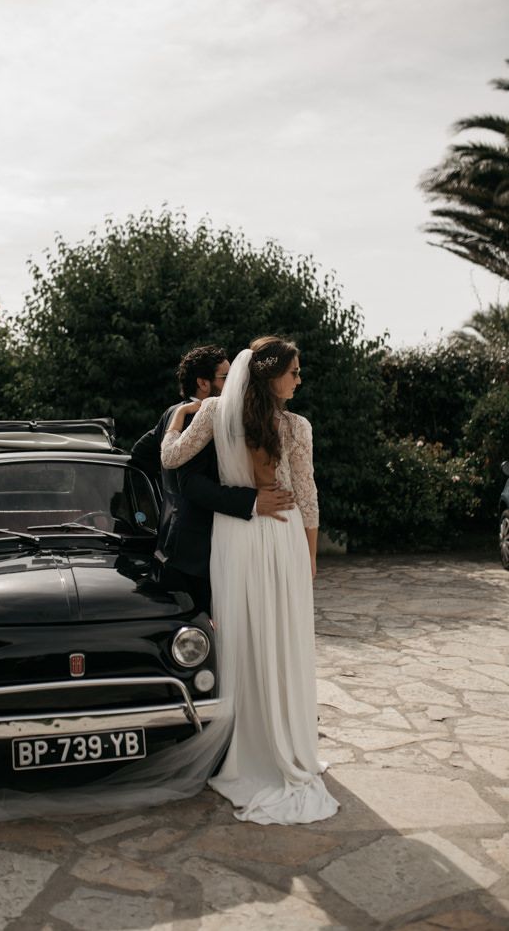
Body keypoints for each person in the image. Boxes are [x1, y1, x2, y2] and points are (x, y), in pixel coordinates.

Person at [160, 336, 339, 825]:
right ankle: (284, 741)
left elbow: (171, 458)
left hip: (236, 540)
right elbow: (307, 495)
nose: (299, 380)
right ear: (271, 374)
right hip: (279, 538)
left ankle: (249, 748)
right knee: (279, 637)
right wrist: (310, 555)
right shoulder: (296, 426)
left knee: (244, 636)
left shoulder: (216, 411)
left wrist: (176, 421)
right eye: (295, 372)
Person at [132, 344, 295, 609]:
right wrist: (252, 500)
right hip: (199, 549)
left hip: (174, 542)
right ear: (202, 383)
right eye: (226, 377)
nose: (235, 382)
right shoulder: (199, 416)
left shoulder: (174, 412)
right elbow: (191, 484)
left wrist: (165, 497)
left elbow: (139, 454)